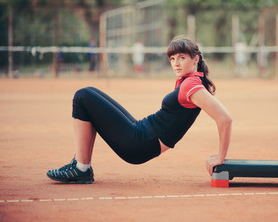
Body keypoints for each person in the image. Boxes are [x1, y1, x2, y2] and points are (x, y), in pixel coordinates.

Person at [47, 36, 232, 184]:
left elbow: (225, 119)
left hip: (139, 143)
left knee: (83, 96)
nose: (176, 63)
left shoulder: (191, 84)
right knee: (91, 93)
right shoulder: (190, 80)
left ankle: (81, 168)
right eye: (173, 59)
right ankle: (82, 166)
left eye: (182, 58)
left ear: (196, 59)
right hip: (142, 132)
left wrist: (220, 157)